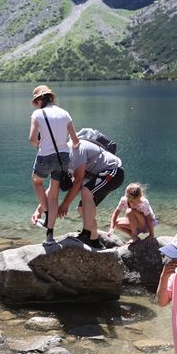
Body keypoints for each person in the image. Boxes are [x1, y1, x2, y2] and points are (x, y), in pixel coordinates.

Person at [27, 85, 78, 245]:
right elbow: (75, 140)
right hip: (63, 157)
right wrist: (65, 145)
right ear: (51, 97)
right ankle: (49, 236)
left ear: (39, 100)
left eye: (36, 101)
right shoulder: (65, 113)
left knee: (37, 181)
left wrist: (40, 145)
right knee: (54, 196)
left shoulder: (37, 114)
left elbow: (32, 139)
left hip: (45, 156)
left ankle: (47, 212)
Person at [58, 136, 124, 249]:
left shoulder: (76, 149)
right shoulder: (67, 158)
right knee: (82, 208)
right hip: (104, 175)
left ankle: (86, 234)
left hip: (114, 171)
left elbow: (78, 182)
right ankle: (94, 240)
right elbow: (75, 181)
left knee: (86, 191)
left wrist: (65, 204)